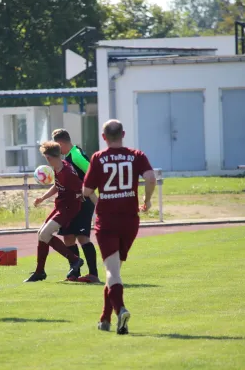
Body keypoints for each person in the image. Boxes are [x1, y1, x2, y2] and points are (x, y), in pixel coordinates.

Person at [82, 119, 157, 335]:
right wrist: (147, 200)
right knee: (114, 271)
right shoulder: (136, 155)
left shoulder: (98, 157)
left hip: (107, 220)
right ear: (123, 134)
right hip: (129, 220)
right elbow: (150, 178)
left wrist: (97, 197)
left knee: (111, 271)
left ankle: (121, 309)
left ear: (104, 137)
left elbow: (86, 190)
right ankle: (105, 318)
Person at [25, 141, 85, 282]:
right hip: (61, 206)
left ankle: (74, 260)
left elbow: (81, 188)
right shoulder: (59, 168)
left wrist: (80, 198)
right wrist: (43, 198)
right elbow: (58, 186)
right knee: (41, 234)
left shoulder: (67, 172)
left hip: (68, 208)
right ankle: (40, 271)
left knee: (45, 233)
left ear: (49, 158)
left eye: (46, 157)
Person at [48, 128, 100, 283]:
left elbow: (93, 172)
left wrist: (88, 192)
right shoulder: (68, 156)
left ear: (61, 143)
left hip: (84, 201)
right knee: (68, 237)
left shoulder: (76, 155)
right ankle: (74, 273)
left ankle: (93, 274)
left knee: (82, 237)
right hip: (72, 203)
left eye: (56, 146)